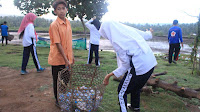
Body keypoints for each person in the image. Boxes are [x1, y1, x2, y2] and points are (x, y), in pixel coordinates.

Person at [100, 20, 157, 112]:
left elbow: (125, 65)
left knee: (121, 91)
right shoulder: (129, 30)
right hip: (150, 65)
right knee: (136, 86)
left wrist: (108, 76)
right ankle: (135, 107)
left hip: (140, 67)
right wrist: (150, 32)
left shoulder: (117, 42)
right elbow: (146, 35)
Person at [48, 0, 74, 107]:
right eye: (59, 9)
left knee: (66, 80)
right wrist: (66, 60)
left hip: (67, 58)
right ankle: (58, 100)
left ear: (66, 10)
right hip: (58, 59)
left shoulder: (68, 22)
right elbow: (58, 44)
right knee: (58, 81)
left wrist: (71, 57)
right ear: (55, 11)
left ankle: (64, 97)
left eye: (63, 8)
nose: (61, 11)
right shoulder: (54, 25)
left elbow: (69, 41)